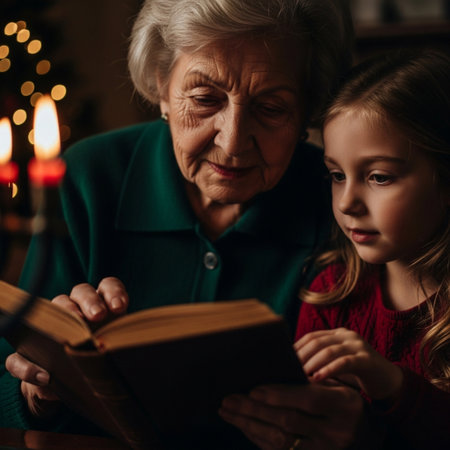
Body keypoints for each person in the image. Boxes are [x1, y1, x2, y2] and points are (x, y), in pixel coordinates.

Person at [0, 0, 361, 448]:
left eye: (271, 108)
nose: (231, 143)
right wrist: (36, 390)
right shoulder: (89, 177)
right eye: (205, 99)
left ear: (307, 110)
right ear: (161, 88)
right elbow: (8, 371)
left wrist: (358, 425)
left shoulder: (345, 201)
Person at [220, 50, 450, 449]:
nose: (347, 203)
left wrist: (394, 389)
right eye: (337, 175)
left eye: (379, 177)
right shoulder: (331, 293)